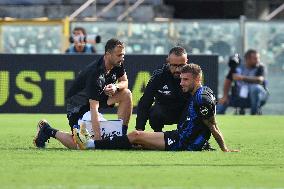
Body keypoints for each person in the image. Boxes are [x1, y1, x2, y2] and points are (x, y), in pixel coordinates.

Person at [73, 64, 239, 152]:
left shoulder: (202, 99)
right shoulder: (202, 92)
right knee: (137, 141)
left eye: (185, 80)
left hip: (182, 143)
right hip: (179, 135)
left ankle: (91, 145)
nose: (181, 83)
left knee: (136, 136)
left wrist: (224, 148)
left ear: (197, 80)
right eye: (181, 79)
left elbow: (213, 126)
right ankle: (90, 142)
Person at [34, 38, 133, 149]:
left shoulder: (118, 63)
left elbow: (125, 82)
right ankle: (48, 130)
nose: (122, 58)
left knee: (126, 94)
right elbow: (93, 108)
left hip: (97, 99)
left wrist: (116, 86)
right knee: (82, 144)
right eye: (119, 55)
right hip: (78, 106)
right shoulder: (95, 73)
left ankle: (122, 135)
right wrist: (98, 142)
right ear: (108, 54)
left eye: (123, 55)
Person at [136, 46, 189, 132]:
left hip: (186, 113)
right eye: (174, 65)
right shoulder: (158, 75)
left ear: (186, 62)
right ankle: (158, 134)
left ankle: (200, 140)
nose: (178, 70)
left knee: (200, 107)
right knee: (154, 112)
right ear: (168, 61)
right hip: (164, 112)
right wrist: (139, 129)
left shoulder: (192, 74)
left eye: (181, 66)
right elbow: (145, 102)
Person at [217, 49, 269, 115]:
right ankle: (215, 121)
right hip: (239, 96)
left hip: (258, 97)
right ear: (248, 59)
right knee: (220, 103)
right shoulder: (237, 67)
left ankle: (254, 115)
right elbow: (228, 81)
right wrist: (225, 96)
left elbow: (260, 79)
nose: (258, 60)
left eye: (258, 58)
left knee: (255, 88)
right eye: (255, 59)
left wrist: (242, 78)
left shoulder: (260, 67)